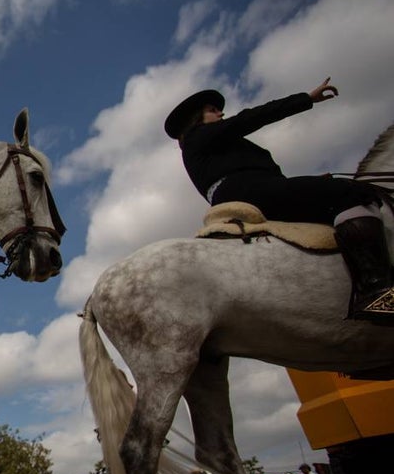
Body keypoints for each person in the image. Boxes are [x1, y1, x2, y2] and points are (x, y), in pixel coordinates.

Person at [165, 78, 391, 323]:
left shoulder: (211, 147)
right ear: (195, 119)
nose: (220, 113)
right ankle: (376, 289)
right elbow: (250, 118)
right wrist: (306, 99)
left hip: (249, 190)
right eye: (212, 110)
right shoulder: (199, 136)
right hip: (249, 190)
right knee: (350, 193)